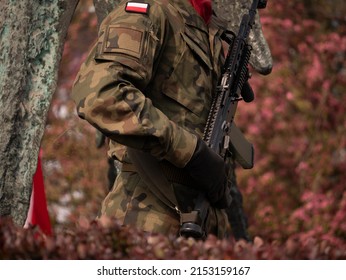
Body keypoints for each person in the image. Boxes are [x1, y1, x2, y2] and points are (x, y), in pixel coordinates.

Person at [72, 0, 243, 238]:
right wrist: (191, 152)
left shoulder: (208, 28)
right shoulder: (151, 11)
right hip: (145, 224)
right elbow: (100, 94)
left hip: (201, 227)